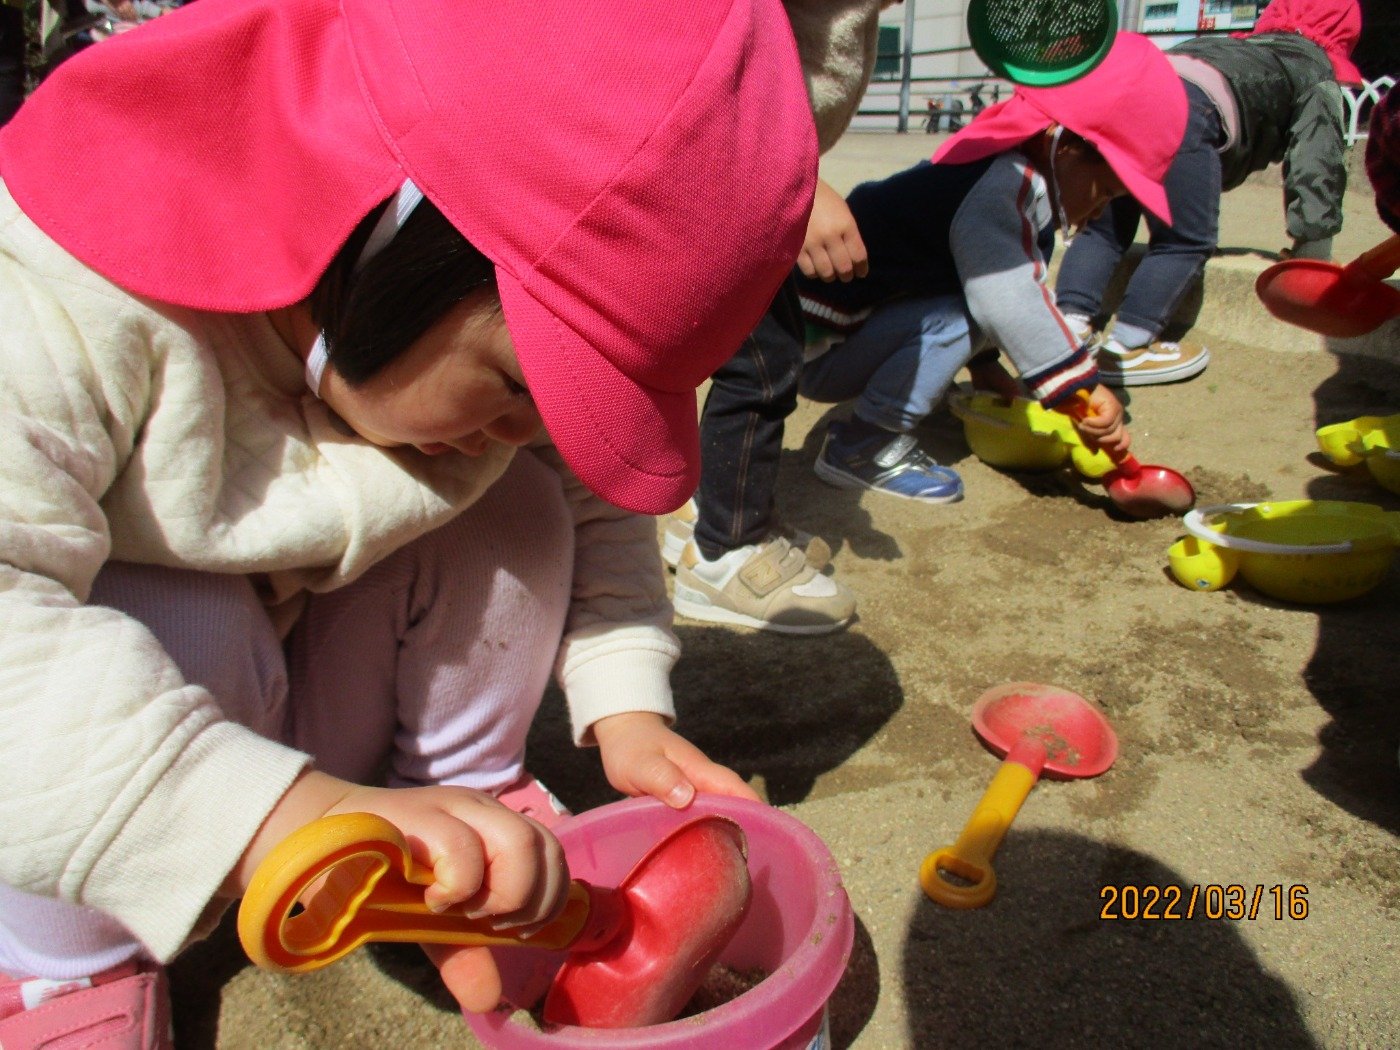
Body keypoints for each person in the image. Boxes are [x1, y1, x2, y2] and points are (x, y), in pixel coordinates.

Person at [0, 0, 818, 1043]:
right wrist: (273, 818)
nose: (525, 429)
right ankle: (59, 965)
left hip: (289, 703)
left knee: (517, 507)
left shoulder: (467, 390)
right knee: (179, 611)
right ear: (390, 229)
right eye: (519, 385)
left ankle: (462, 801)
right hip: (71, 767)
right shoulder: (65, 288)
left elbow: (589, 501)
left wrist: (626, 705)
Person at [794, 32, 1188, 500]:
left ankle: (887, 410)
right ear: (1065, 144)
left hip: (830, 334)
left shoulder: (1003, 170)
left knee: (971, 306)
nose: (1099, 211)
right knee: (967, 313)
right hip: (817, 350)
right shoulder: (1004, 185)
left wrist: (983, 367)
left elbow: (948, 272)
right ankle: (864, 446)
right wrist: (1079, 387)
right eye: (1104, 192)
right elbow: (1004, 299)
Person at [665, 0, 893, 636]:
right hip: (729, 166)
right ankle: (725, 553)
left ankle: (711, 513)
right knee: (760, 368)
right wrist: (791, 175)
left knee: (763, 355)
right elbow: (699, 38)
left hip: (746, 168)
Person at [1054, 0, 1362, 386]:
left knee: (1105, 223)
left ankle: (1067, 327)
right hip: (1189, 110)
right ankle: (1128, 348)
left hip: (1131, 90)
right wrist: (1312, 250)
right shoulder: (1315, 73)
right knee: (1183, 240)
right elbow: (1317, 164)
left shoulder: (1229, 45)